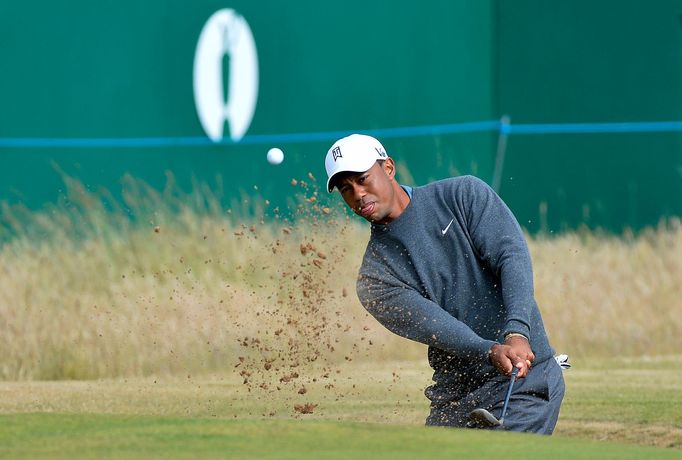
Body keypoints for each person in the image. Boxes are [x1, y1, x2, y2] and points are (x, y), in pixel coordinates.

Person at [324, 133, 565, 434]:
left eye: (363, 179)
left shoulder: (463, 195)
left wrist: (517, 331)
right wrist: (491, 350)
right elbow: (439, 327)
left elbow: (512, 258)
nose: (358, 194)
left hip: (523, 383)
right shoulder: (375, 279)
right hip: (453, 398)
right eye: (346, 189)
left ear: (388, 168)